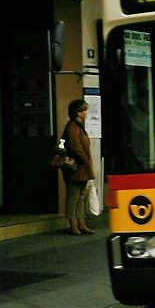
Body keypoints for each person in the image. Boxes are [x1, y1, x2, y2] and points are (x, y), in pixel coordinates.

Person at [62, 99, 95, 235]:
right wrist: (84, 160)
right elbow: (75, 146)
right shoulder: (72, 126)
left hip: (82, 167)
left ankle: (81, 223)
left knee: (81, 197)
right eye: (83, 110)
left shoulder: (78, 125)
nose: (86, 112)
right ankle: (73, 225)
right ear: (78, 112)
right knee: (73, 197)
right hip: (76, 167)